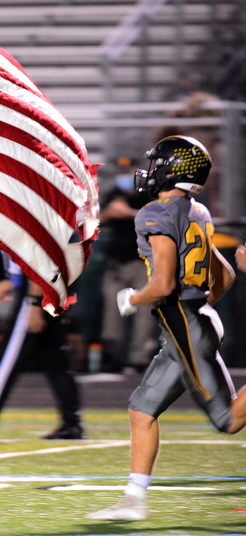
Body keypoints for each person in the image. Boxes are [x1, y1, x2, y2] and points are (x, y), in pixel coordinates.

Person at [87, 135, 246, 522]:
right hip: (191, 321)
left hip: (184, 324)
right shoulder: (198, 211)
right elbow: (224, 274)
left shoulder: (155, 213)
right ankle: (133, 500)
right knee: (142, 410)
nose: (151, 170)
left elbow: (162, 286)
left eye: (158, 163)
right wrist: (200, 306)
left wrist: (132, 299)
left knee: (228, 420)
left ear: (174, 170)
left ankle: (133, 499)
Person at [0, 253, 83, 440]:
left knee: (7, 360)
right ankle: (72, 424)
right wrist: (14, 280)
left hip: (39, 291)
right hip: (53, 287)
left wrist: (34, 303)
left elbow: (41, 257)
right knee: (54, 359)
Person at [98, 157, 156, 372]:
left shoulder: (150, 195)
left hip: (144, 263)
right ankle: (112, 358)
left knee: (144, 314)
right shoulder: (114, 193)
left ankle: (139, 359)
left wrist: (130, 213)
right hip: (117, 264)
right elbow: (98, 219)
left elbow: (158, 220)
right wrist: (108, 213)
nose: (125, 177)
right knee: (114, 312)